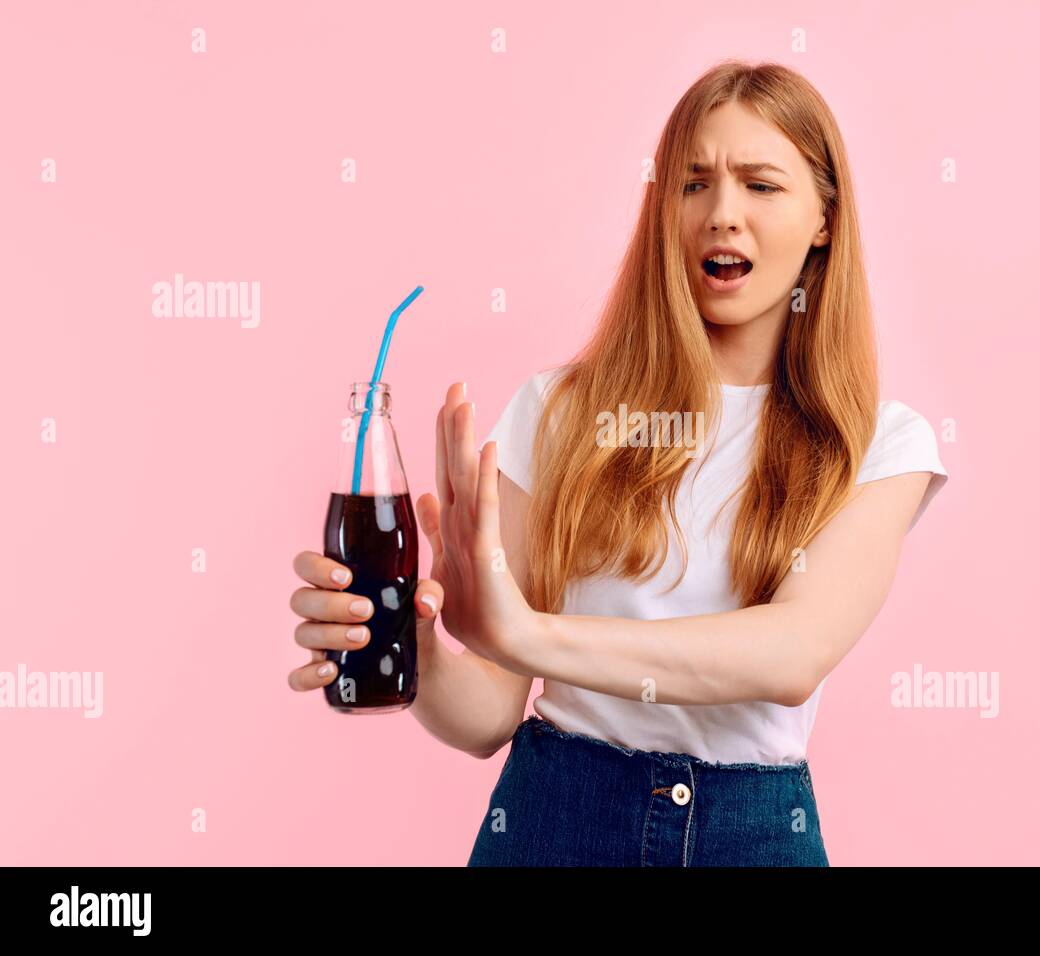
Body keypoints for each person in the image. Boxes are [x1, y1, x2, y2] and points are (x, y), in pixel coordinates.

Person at [288, 59, 949, 866]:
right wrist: (412, 644)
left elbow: (791, 654)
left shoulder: (879, 442)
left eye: (762, 185)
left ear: (824, 218)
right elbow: (488, 717)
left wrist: (525, 633)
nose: (721, 215)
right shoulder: (560, 413)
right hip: (554, 822)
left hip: (753, 838)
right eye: (693, 183)